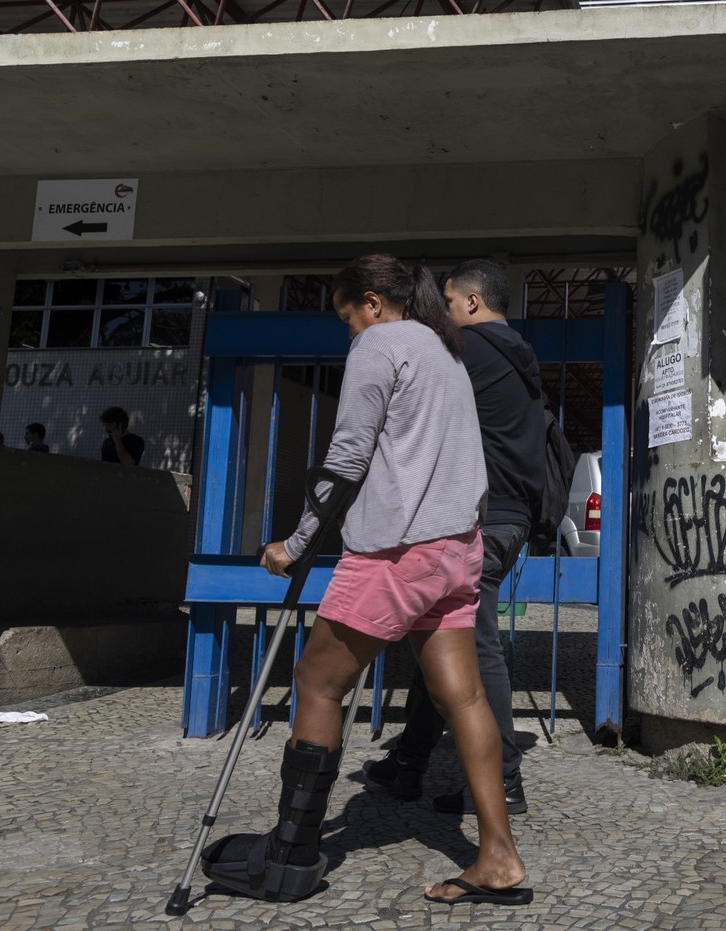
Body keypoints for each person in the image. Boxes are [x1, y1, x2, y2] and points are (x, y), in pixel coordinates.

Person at [199, 254, 529, 907]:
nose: (349, 329)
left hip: (396, 552)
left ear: (373, 302)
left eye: (349, 315)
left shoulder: (382, 344)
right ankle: (498, 855)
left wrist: (292, 546)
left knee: (318, 682)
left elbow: (347, 455)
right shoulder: (447, 352)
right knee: (464, 700)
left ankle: (290, 857)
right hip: (456, 548)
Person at [363, 259, 546, 815]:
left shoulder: (471, 351)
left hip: (480, 520)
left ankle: (504, 780)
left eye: (445, 302)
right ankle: (408, 763)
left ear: (469, 303)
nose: (441, 313)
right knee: (440, 635)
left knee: (475, 644)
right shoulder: (517, 356)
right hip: (512, 519)